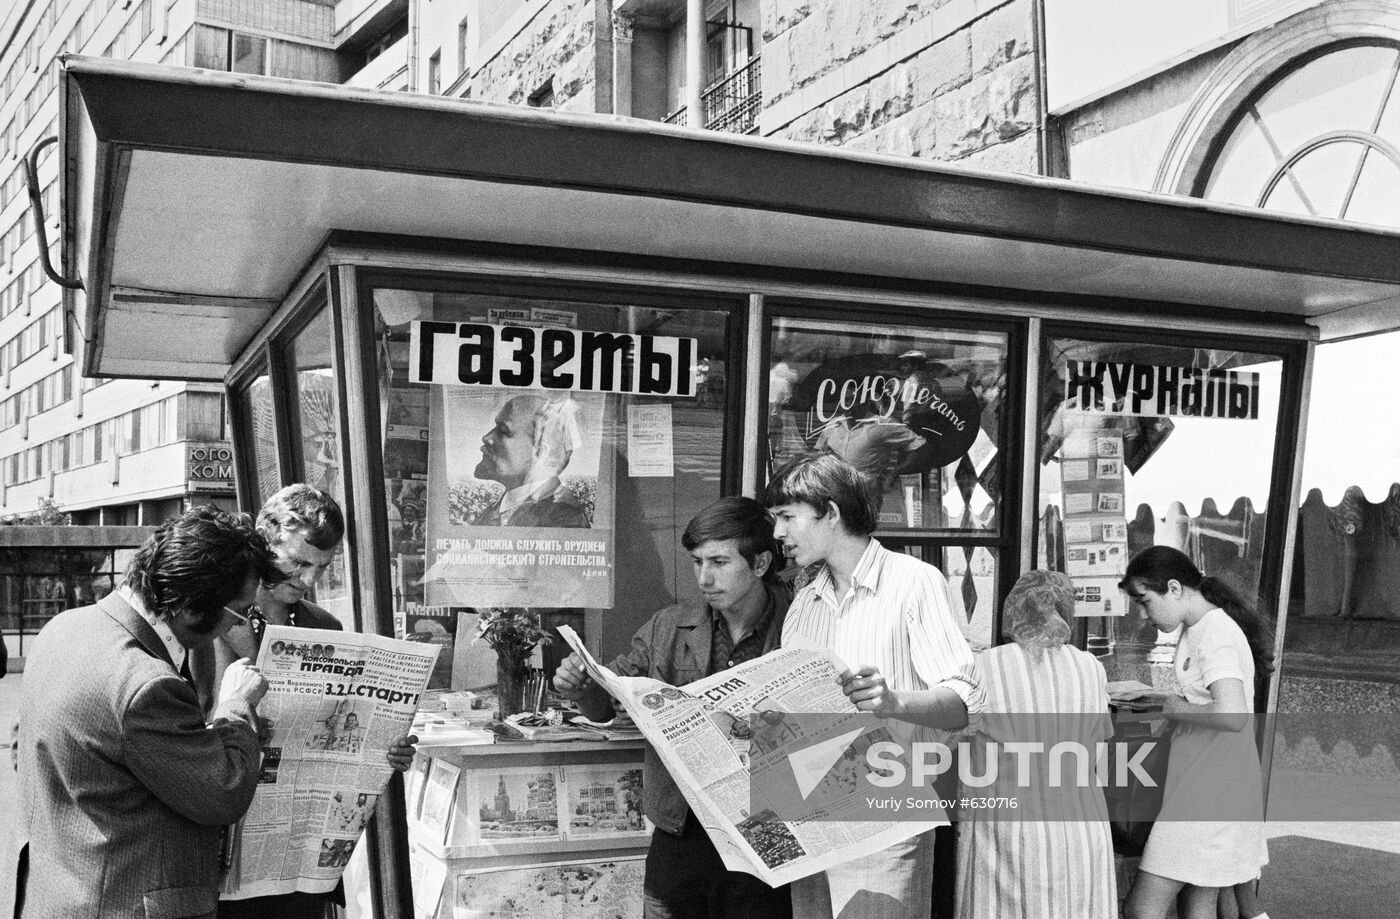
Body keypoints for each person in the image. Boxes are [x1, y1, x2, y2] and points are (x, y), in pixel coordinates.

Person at [2, 506, 282, 919]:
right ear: (190, 607)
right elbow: (223, 792)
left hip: (55, 894)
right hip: (122, 903)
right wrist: (235, 705)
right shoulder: (147, 684)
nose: (237, 626)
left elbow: (22, 749)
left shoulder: (61, 629)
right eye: (239, 612)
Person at [765, 451, 983, 919]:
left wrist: (892, 700)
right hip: (810, 811)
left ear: (830, 512)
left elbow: (964, 703)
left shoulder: (913, 582)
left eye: (787, 516)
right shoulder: (804, 602)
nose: (778, 532)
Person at [553, 496, 792, 919]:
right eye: (697, 562)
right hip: (682, 829)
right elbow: (607, 704)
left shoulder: (798, 623)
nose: (704, 578)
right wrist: (581, 687)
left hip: (767, 829)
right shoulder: (668, 625)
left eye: (719, 562)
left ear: (760, 563)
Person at [190, 484, 418, 919]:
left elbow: (341, 731)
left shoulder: (325, 628)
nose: (309, 580)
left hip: (298, 855)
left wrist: (384, 749)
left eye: (322, 567)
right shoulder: (209, 622)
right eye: (298, 563)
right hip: (221, 850)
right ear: (263, 542)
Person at [953, 570, 1116, 919]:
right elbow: (1099, 747)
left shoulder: (980, 668)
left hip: (1010, 828)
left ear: (1013, 610)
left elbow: (952, 739)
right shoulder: (1091, 667)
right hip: (1083, 827)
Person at [1119, 546, 1270, 919]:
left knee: (1142, 908)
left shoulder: (1214, 633)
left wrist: (1175, 708)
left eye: (1144, 601)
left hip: (1208, 794)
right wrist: (1164, 700)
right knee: (1197, 904)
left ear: (1174, 588)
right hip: (1209, 786)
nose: (1143, 615)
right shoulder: (1201, 628)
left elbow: (1232, 714)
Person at [472, 393, 590, 527]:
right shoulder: (497, 510)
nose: (487, 437)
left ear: (540, 452)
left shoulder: (565, 520)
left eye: (504, 431)